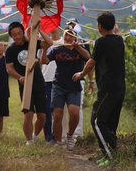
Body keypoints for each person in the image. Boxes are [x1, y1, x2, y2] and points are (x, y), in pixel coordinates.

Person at [73, 11, 125, 167]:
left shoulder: (101, 42)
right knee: (109, 123)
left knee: (96, 120)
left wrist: (81, 74)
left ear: (100, 26)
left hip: (108, 88)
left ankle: (112, 153)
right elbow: (117, 35)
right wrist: (116, 30)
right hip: (119, 88)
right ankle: (108, 154)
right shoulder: (119, 40)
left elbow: (90, 62)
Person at [40, 26, 91, 150]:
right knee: (57, 115)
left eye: (71, 35)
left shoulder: (80, 48)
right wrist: (44, 49)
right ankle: (58, 142)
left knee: (74, 113)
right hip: (58, 85)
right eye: (66, 35)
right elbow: (45, 61)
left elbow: (88, 57)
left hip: (74, 86)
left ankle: (70, 135)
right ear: (63, 35)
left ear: (75, 36)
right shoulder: (57, 49)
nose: (68, 37)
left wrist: (78, 47)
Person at [5, 21, 53, 145]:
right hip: (25, 85)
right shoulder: (10, 50)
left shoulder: (32, 43)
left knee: (42, 115)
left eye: (19, 33)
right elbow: (9, 68)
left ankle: (35, 136)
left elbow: (49, 43)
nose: (18, 37)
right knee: (28, 113)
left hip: (39, 83)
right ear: (11, 36)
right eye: (14, 35)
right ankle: (29, 141)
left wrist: (39, 30)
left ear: (23, 32)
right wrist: (19, 77)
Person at [62, 18, 93, 142]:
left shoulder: (84, 43)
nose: (71, 28)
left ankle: (77, 134)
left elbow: (89, 63)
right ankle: (64, 134)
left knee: (77, 107)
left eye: (74, 26)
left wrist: (91, 81)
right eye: (69, 26)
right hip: (62, 80)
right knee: (62, 107)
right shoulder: (60, 43)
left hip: (78, 79)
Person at [37, 27, 63, 143]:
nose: (53, 29)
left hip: (60, 81)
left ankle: (59, 136)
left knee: (58, 112)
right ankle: (48, 137)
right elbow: (39, 63)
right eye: (50, 26)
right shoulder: (44, 43)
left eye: (55, 25)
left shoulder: (64, 42)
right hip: (46, 80)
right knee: (46, 110)